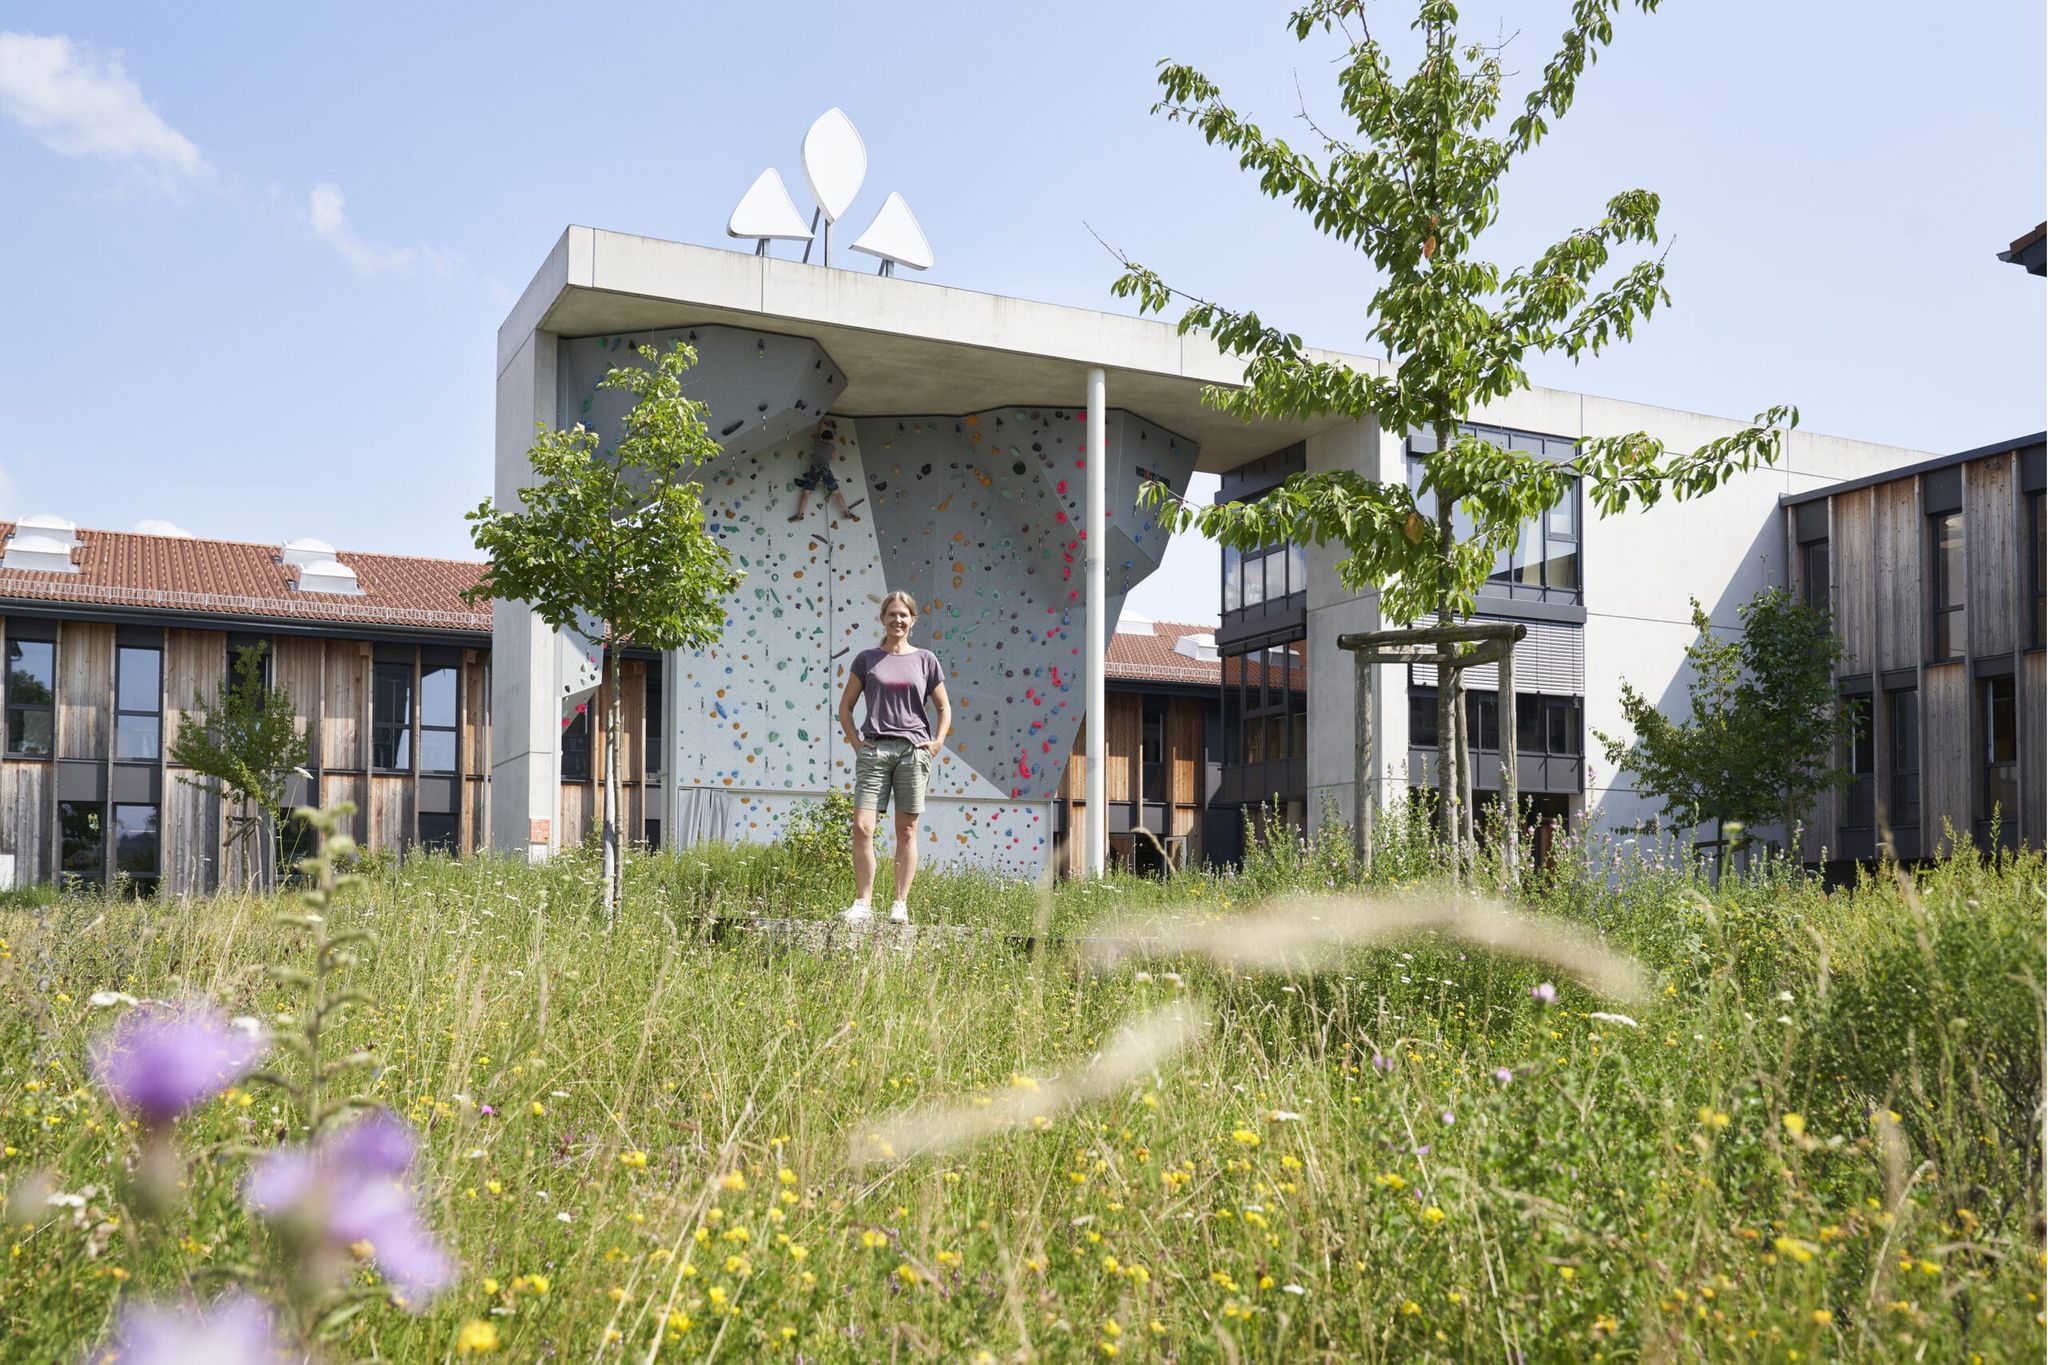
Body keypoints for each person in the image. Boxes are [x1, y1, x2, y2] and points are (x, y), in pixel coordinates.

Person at [837, 591, 950, 924]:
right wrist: (858, 745)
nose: (897, 620)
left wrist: (936, 743)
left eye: (904, 615)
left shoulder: (926, 659)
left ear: (912, 620)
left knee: (907, 831)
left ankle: (899, 903)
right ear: (882, 619)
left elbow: (944, 707)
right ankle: (863, 904)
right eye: (892, 614)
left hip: (913, 752)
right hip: (875, 750)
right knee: (861, 827)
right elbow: (845, 708)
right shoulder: (867, 659)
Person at [789, 418, 860, 522]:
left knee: (806, 493)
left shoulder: (816, 442)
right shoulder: (831, 447)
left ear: (822, 437)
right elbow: (833, 458)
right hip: (826, 473)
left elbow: (818, 432)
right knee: (837, 493)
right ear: (831, 439)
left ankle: (800, 514)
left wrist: (821, 423)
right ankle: (847, 512)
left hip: (814, 472)